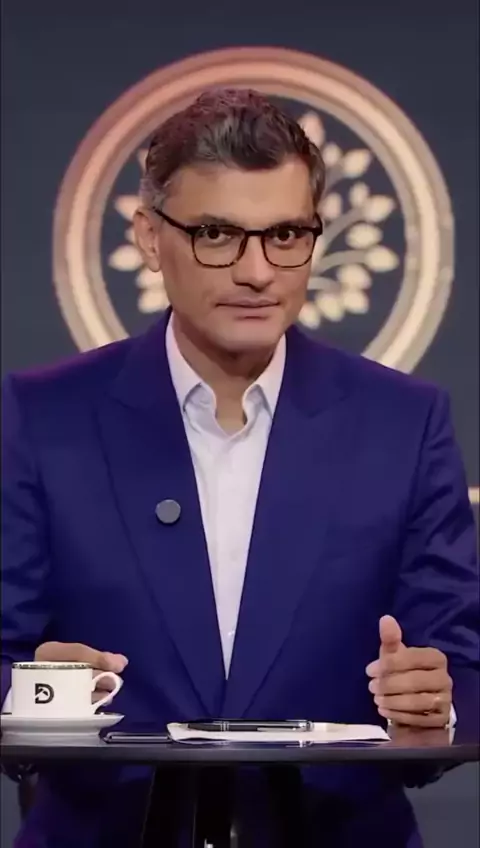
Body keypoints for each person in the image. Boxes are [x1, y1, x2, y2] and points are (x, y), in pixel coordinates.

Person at [1, 87, 478, 847]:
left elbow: (462, 661)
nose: (257, 271)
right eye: (216, 234)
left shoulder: (404, 423)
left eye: (286, 234)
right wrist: (29, 696)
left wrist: (434, 701)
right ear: (149, 238)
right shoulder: (41, 416)